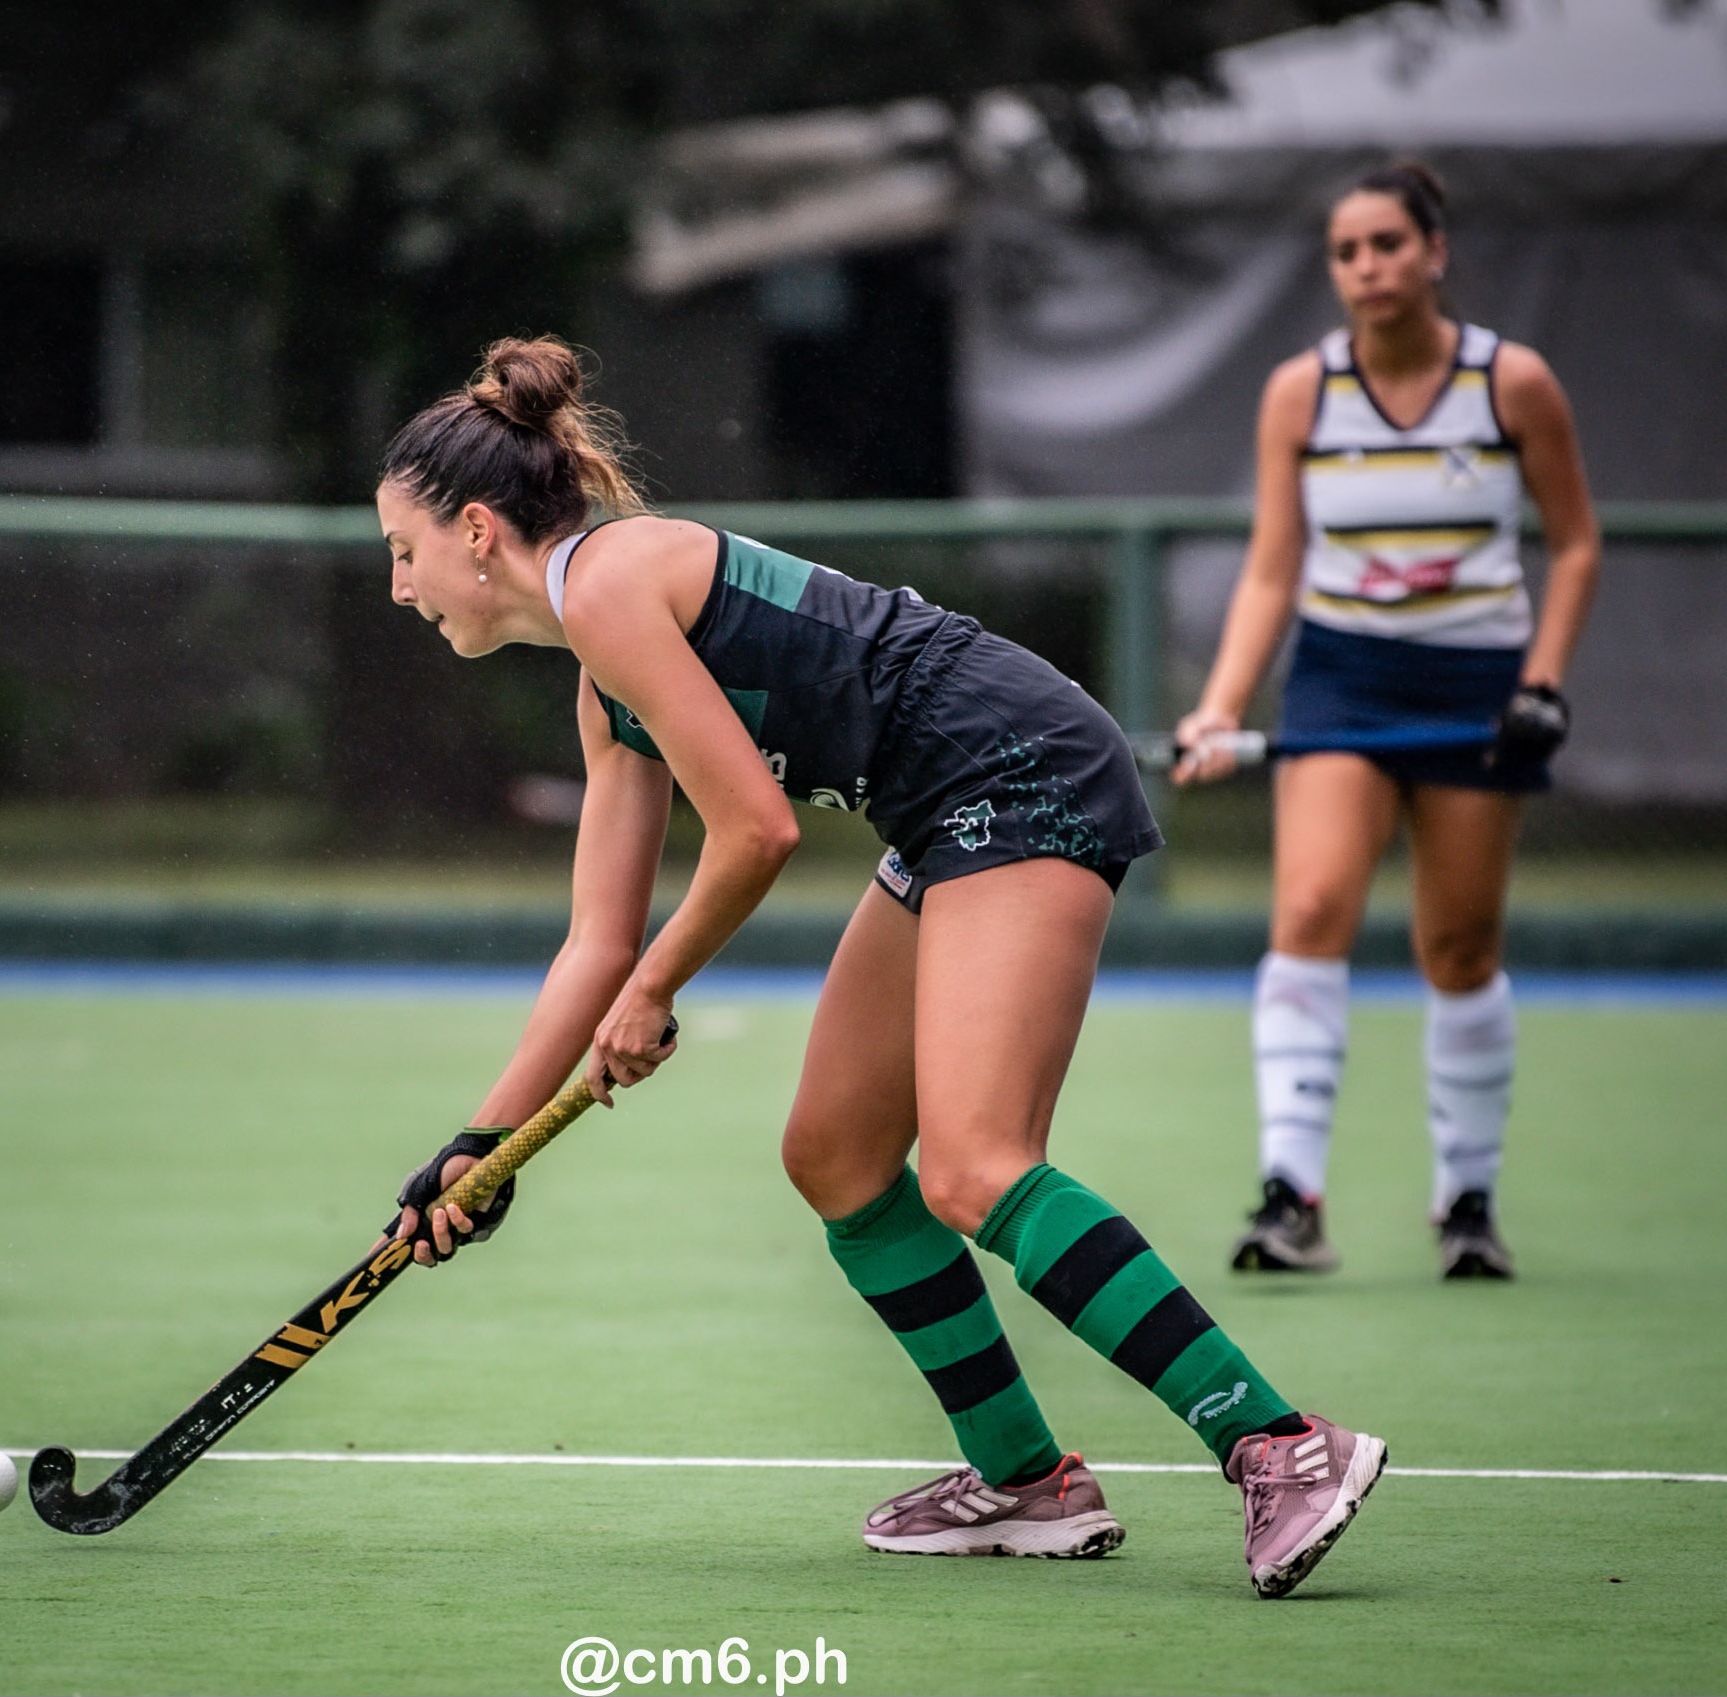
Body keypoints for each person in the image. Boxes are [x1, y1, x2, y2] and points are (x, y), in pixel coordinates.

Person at [375, 334, 1385, 1599]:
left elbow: (756, 832)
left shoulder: (613, 585)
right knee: (839, 1155)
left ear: (475, 530)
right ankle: (1025, 1479)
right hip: (941, 810)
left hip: (1014, 772)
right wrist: (477, 1144)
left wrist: (654, 992)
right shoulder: (601, 679)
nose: (400, 589)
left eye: (402, 553)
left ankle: (1279, 1442)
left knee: (974, 1162)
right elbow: (598, 940)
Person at [1174, 160, 1600, 1280]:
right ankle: (1288, 1196)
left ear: (1434, 252)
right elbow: (1272, 567)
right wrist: (1219, 705)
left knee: (1456, 945)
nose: (1366, 269)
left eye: (1387, 245)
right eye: (1346, 251)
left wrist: (1540, 683)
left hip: (1473, 685)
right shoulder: (1298, 393)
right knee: (1310, 903)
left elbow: (1574, 542)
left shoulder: (1510, 383)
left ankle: (1465, 1200)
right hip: (1341, 681)